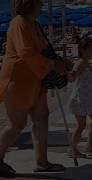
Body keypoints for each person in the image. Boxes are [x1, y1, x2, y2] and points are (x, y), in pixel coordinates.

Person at [0, 0, 66, 177]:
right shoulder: (19, 23)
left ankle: (42, 162)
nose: (42, 4)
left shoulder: (34, 24)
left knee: (42, 117)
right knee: (17, 124)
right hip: (18, 81)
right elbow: (26, 53)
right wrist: (52, 64)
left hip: (36, 80)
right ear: (30, 4)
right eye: (39, 2)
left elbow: (41, 49)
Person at [68, 37, 92, 158]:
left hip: (89, 97)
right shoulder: (80, 63)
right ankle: (73, 149)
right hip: (81, 98)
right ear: (83, 50)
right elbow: (72, 78)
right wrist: (66, 71)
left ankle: (89, 145)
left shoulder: (86, 63)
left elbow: (87, 73)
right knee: (81, 124)